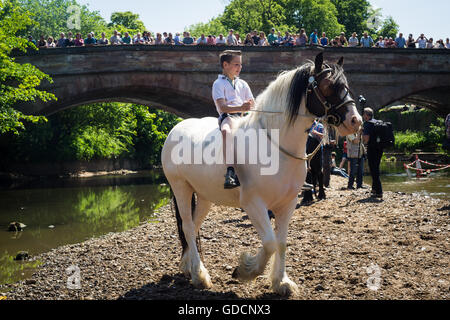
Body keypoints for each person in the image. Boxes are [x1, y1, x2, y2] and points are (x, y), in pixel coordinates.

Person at [212, 50, 255, 189]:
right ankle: (230, 171)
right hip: (228, 117)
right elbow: (223, 107)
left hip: (245, 117)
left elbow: (252, 102)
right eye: (236, 64)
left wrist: (249, 106)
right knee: (226, 131)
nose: (240, 67)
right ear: (225, 65)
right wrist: (241, 107)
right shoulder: (218, 84)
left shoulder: (243, 83)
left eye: (240, 64)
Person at [362, 107, 383, 198]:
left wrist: (362, 134)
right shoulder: (378, 122)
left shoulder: (367, 124)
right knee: (376, 167)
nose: (363, 116)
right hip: (380, 148)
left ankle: (379, 191)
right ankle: (374, 189)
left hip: (372, 148)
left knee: (373, 169)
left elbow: (366, 140)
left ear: (366, 116)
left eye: (363, 114)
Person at [322, 124, 336, 188]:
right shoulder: (324, 128)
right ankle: (324, 183)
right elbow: (323, 140)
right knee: (326, 166)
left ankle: (326, 183)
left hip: (329, 150)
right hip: (324, 150)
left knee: (328, 167)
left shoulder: (331, 129)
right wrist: (330, 142)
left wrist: (333, 143)